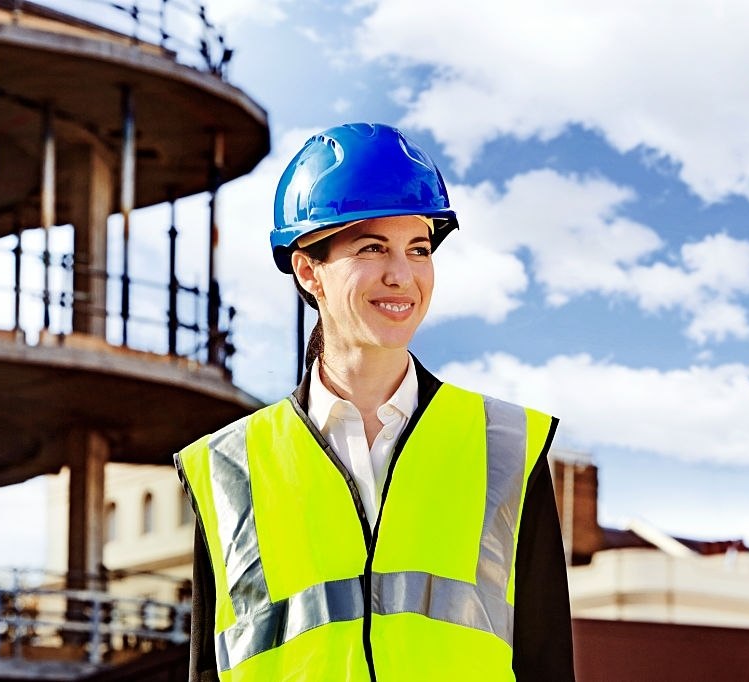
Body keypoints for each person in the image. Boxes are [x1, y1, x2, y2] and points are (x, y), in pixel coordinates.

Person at [175, 123, 575, 681]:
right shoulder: (229, 466)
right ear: (308, 269)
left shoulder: (503, 445)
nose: (402, 275)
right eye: (372, 248)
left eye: (418, 249)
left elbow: (546, 662)